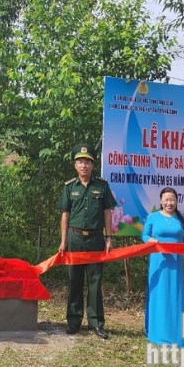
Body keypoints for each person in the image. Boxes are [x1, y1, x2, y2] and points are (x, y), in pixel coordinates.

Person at [58, 143, 115, 340]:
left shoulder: (102, 186)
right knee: (74, 280)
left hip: (96, 238)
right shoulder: (69, 187)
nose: (84, 165)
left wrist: (109, 237)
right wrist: (63, 241)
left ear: (92, 165)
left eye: (88, 162)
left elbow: (107, 212)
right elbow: (65, 215)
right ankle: (73, 321)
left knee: (95, 281)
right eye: (80, 162)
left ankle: (96, 322)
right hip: (74, 238)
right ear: (75, 165)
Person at [142, 187, 184, 346]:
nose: (169, 203)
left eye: (172, 200)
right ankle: (158, 332)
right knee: (159, 295)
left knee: (175, 296)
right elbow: (144, 235)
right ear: (161, 201)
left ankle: (177, 333)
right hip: (159, 262)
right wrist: (150, 241)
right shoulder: (153, 217)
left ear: (176, 201)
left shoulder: (182, 219)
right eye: (166, 200)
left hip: (176, 263)